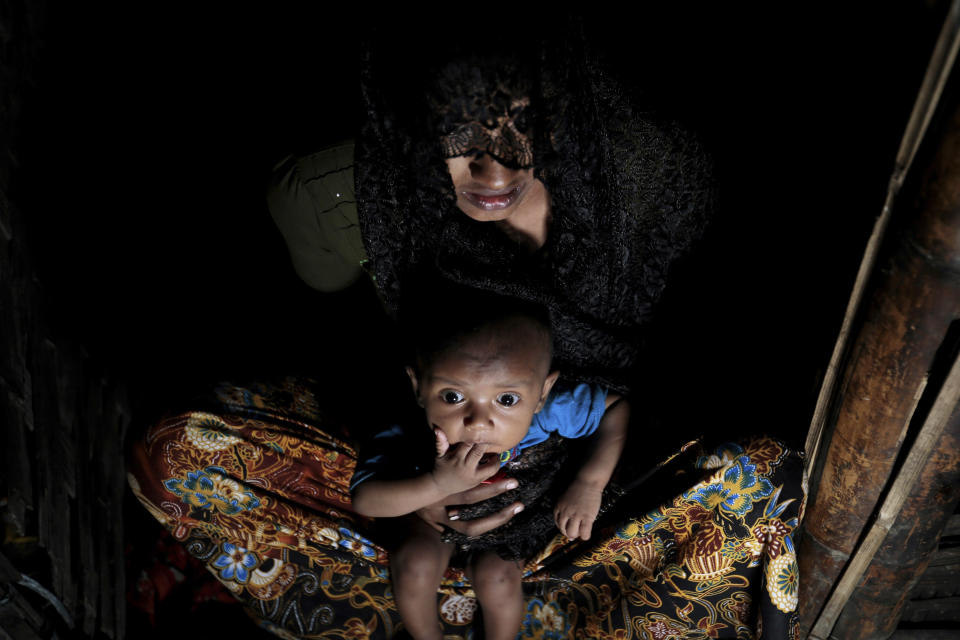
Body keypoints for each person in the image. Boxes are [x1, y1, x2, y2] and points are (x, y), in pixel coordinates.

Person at [129, 18, 805, 640]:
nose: (494, 173)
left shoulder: (654, 176)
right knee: (174, 449)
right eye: (457, 137)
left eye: (520, 129)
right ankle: (450, 596)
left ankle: (545, 591)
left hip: (595, 483)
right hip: (421, 459)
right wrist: (424, 492)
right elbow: (362, 362)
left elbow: (695, 359)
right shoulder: (386, 186)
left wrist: (583, 478)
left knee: (760, 474)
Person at [350, 287, 628, 639]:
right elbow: (365, 498)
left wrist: (589, 483)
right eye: (453, 396)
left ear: (542, 394)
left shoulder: (547, 414)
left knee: (497, 580)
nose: (478, 422)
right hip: (432, 519)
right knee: (414, 565)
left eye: (507, 399)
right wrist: (437, 485)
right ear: (418, 386)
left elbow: (615, 409)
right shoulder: (406, 429)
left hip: (513, 523)